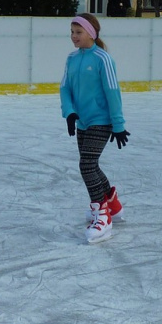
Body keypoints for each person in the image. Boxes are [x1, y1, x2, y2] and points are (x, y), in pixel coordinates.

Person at [60, 13, 130, 244]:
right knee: (92, 165)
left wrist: (118, 125)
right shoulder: (72, 59)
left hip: (102, 120)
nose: (73, 36)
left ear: (91, 33)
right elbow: (65, 88)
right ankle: (112, 202)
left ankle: (103, 216)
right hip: (83, 121)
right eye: (72, 32)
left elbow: (113, 92)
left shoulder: (103, 59)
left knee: (86, 165)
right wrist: (69, 112)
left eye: (78, 32)